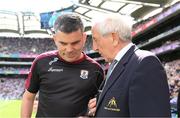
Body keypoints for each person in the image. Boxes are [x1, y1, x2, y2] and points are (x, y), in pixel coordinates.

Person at [21, 13, 104, 117]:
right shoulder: (41, 62)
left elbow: (100, 105)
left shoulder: (95, 70)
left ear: (84, 38)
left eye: (75, 43)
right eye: (63, 43)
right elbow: (28, 97)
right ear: (55, 39)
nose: (69, 49)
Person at [88, 13, 171, 117]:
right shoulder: (115, 65)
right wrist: (102, 104)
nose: (94, 47)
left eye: (95, 39)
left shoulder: (144, 63)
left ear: (113, 38)